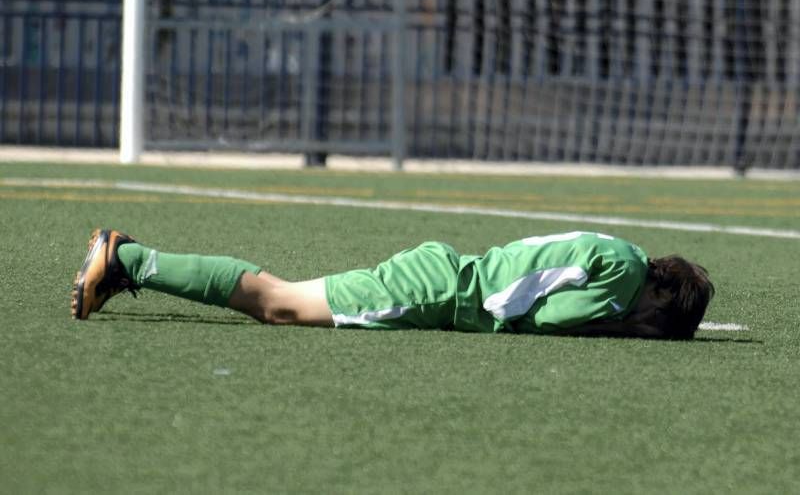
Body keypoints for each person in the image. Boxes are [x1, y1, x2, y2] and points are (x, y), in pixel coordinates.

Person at [71, 229, 714, 340]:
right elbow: (546, 320)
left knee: (281, 299)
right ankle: (131, 259)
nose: (646, 327)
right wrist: (618, 326)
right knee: (280, 304)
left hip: (444, 274)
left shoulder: (621, 253)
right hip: (439, 291)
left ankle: (131, 262)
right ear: (662, 295)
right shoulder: (623, 278)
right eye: (659, 323)